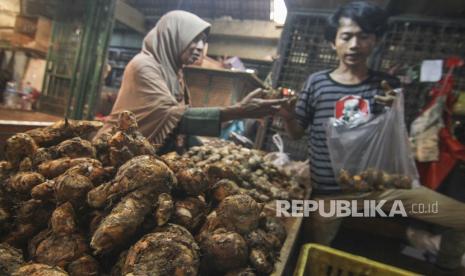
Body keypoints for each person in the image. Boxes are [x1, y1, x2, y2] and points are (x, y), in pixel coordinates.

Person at [279, 2, 465, 275]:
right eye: (346, 36)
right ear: (334, 42)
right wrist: (286, 116)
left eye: (363, 36)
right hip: (331, 193)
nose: (355, 44)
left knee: (460, 217)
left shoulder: (386, 86)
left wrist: (394, 110)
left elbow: (394, 141)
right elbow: (296, 132)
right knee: (312, 254)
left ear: (375, 41)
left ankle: (446, 266)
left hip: (381, 187)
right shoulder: (317, 83)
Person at [95, 10, 285, 153]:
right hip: (114, 150)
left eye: (203, 41)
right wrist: (239, 111)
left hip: (139, 154)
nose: (200, 48)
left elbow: (178, 121)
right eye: (194, 39)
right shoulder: (143, 66)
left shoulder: (175, 73)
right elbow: (172, 116)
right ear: (173, 36)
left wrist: (203, 148)